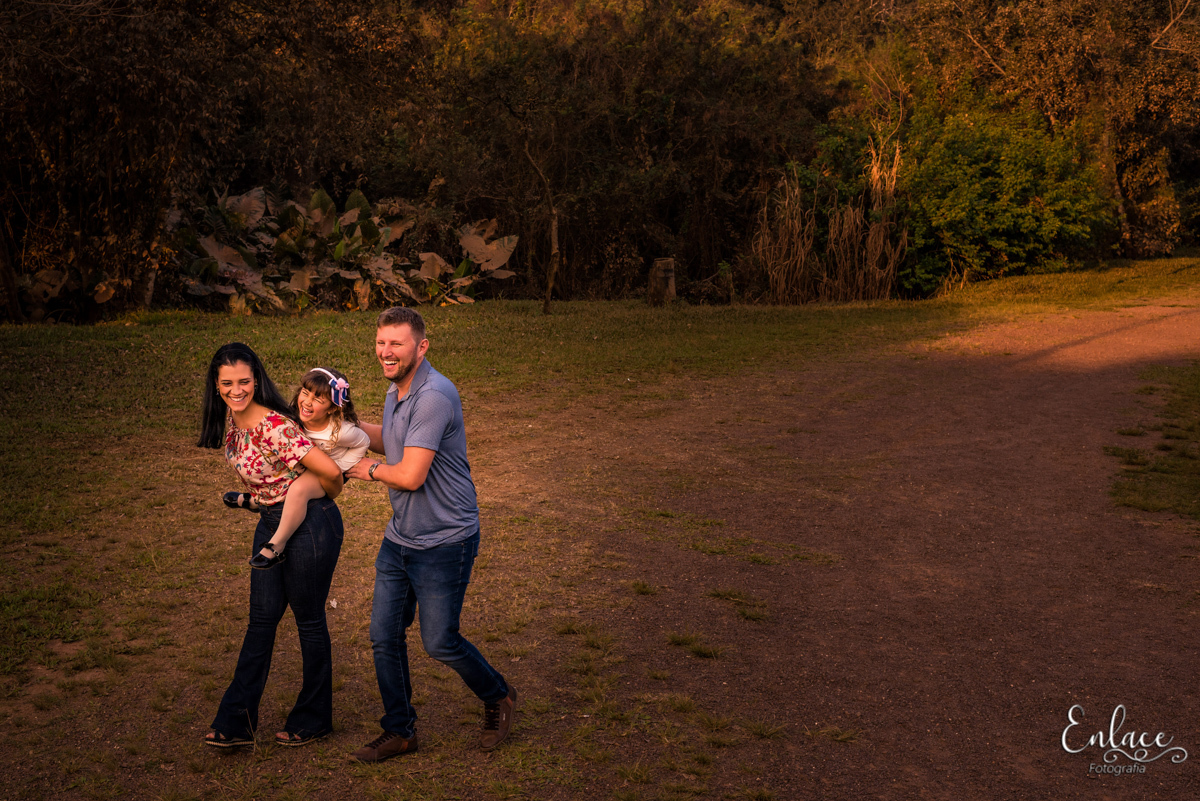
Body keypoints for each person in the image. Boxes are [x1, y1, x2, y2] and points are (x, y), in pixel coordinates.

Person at [345, 307, 516, 762]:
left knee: (439, 641)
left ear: (421, 346)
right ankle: (400, 731)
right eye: (382, 343)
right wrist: (340, 428)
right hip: (401, 536)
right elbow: (394, 438)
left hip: (445, 539)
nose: (386, 352)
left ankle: (498, 696)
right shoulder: (396, 389)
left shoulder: (435, 394)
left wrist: (367, 469)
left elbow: (411, 473)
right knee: (384, 635)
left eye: (396, 344)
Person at [196, 342, 346, 748]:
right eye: (227, 383)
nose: (236, 389)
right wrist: (253, 501)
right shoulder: (232, 419)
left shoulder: (273, 425)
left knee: (308, 620)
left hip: (310, 525)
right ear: (216, 386)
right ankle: (236, 722)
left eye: (244, 381)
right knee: (260, 621)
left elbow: (331, 471)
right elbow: (268, 480)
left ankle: (314, 717)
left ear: (256, 379)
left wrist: (321, 495)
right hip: (269, 522)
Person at [223, 366, 370, 569]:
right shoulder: (293, 414)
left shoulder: (342, 432)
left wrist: (341, 467)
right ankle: (254, 501)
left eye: (319, 399)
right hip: (307, 465)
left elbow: (364, 442)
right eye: (305, 392)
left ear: (333, 408)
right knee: (280, 474)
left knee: (298, 489)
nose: (308, 402)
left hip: (325, 472)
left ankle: (277, 544)